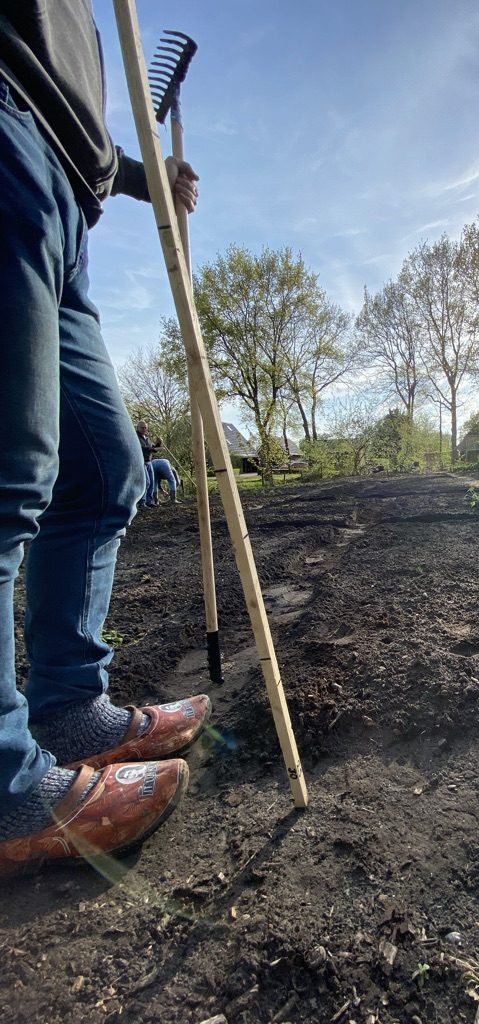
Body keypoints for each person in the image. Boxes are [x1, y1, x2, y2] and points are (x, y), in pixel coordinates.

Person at [0, 3, 210, 876]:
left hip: (64, 196)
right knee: (10, 473)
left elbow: (73, 109)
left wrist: (135, 174)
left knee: (103, 470)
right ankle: (8, 783)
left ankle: (68, 707)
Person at [136, 421, 163, 507]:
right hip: (141, 462)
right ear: (138, 428)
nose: (144, 429)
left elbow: (153, 449)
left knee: (151, 481)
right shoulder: (136, 437)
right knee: (146, 482)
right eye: (142, 427)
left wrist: (158, 444)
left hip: (149, 462)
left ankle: (149, 501)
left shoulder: (147, 438)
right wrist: (155, 448)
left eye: (145, 428)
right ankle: (142, 502)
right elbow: (143, 449)